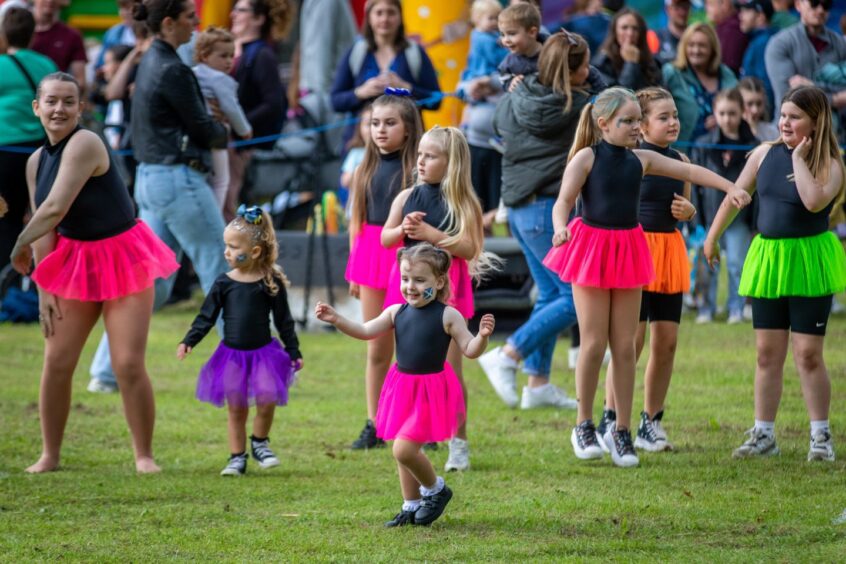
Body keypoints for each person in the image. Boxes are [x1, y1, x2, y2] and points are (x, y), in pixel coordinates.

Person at [542, 86, 750, 468]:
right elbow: (563, 202)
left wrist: (731, 186)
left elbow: (688, 170)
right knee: (592, 343)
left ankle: (622, 431)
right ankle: (583, 424)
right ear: (603, 124)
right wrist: (559, 227)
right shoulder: (586, 158)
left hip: (628, 247)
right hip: (590, 247)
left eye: (639, 120)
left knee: (624, 346)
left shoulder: (642, 160)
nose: (636, 127)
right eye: (628, 121)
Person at [9, 72, 179, 473]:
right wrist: (44, 285)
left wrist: (17, 244)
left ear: (81, 107)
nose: (59, 109)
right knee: (57, 360)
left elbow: (55, 209)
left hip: (122, 254)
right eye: (51, 101)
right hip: (73, 260)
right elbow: (43, 222)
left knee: (126, 363)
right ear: (37, 107)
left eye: (69, 101)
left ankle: (144, 456)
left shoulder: (86, 142)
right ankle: (49, 455)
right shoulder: (36, 161)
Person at [86, 0, 230, 394]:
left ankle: (105, 372)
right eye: (189, 18)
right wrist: (223, 126)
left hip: (153, 180)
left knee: (151, 281)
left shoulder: (150, 60)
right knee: (224, 268)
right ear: (168, 24)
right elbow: (203, 130)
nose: (196, 23)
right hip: (177, 179)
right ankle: (255, 360)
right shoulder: (172, 68)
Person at [704, 85, 846, 461]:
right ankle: (764, 434)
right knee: (767, 353)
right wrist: (712, 237)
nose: (784, 122)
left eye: (795, 117)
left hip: (809, 259)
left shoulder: (831, 161)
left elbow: (813, 200)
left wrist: (799, 158)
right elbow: (736, 195)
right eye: (782, 115)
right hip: (768, 258)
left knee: (808, 354)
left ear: (815, 122)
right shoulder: (763, 154)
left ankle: (820, 436)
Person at [316, 244, 495, 527]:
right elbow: (364, 331)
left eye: (419, 280)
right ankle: (410, 505)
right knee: (402, 449)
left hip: (431, 391)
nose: (410, 287)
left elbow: (470, 349)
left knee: (403, 449)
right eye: (405, 279)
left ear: (439, 282)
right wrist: (336, 319)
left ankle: (436, 490)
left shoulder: (448, 315)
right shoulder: (395, 311)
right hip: (402, 388)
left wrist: (482, 336)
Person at [480, 31, 601, 410]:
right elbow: (612, 97)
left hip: (517, 208)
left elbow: (498, 124)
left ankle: (538, 383)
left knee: (550, 293)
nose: (590, 71)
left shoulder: (517, 94)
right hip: (544, 210)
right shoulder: (577, 106)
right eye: (584, 65)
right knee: (572, 296)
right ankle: (508, 354)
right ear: (571, 73)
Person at [381, 126, 492, 472]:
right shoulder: (406, 197)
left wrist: (433, 235)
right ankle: (416, 432)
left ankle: (458, 442)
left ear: (452, 162)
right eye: (420, 155)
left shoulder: (463, 202)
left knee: (451, 368)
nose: (421, 162)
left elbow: (470, 247)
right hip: (409, 287)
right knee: (411, 363)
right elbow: (386, 238)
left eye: (431, 156)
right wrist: (402, 231)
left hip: (448, 290)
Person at [598, 87, 696, 453]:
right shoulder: (630, 160)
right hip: (635, 251)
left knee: (666, 342)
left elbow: (684, 207)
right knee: (630, 342)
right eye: (663, 117)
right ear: (642, 124)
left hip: (669, 252)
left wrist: (690, 213)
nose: (672, 122)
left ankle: (650, 422)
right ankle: (611, 416)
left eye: (674, 115)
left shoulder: (680, 158)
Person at [178, 205, 302, 476]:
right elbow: (206, 317)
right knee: (236, 407)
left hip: (264, 354)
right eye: (226, 245)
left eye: (233, 247)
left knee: (268, 399)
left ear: (255, 251)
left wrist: (293, 351)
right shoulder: (223, 283)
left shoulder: (271, 282)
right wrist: (189, 340)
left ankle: (259, 442)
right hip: (232, 355)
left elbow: (284, 321)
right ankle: (236, 457)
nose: (227, 252)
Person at [345, 93, 422, 450]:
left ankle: (416, 421)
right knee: (376, 345)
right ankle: (375, 422)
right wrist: (353, 269)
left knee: (414, 347)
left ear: (408, 130)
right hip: (369, 257)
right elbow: (356, 220)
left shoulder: (418, 172)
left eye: (390, 123)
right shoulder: (364, 168)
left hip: (407, 260)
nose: (380, 130)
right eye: (375, 123)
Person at [330, 0, 441, 145]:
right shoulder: (356, 52)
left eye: (391, 12)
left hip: (407, 146)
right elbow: (335, 101)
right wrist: (361, 92)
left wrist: (406, 88)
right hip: (361, 146)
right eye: (379, 13)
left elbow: (436, 100)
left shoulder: (414, 52)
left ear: (400, 17)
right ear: (369, 17)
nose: (385, 19)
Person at [691, 88, 758, 325]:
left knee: (736, 264)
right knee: (707, 264)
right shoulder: (702, 144)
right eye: (722, 113)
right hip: (709, 215)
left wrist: (755, 223)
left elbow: (756, 190)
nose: (727, 118)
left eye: (732, 113)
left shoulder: (753, 146)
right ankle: (705, 308)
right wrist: (696, 219)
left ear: (742, 112)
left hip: (739, 218)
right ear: (715, 113)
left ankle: (736, 308)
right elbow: (695, 185)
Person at [0, 7, 57, 272]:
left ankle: (7, 280)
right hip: (39, 151)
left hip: (5, 151)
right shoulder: (46, 65)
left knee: (6, 218)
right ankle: (36, 278)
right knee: (38, 216)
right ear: (32, 34)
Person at [226, 0, 293, 221]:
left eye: (241, 10)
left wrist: (239, 129)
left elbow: (273, 104)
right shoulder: (235, 50)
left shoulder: (262, 54)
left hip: (240, 146)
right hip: (228, 142)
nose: (233, 14)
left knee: (229, 202)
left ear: (258, 18)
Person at [192, 26, 253, 210]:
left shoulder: (193, 73)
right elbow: (231, 108)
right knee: (221, 180)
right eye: (223, 56)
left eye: (231, 55)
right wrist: (244, 130)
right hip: (216, 135)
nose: (229, 61)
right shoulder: (221, 80)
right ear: (204, 55)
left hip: (197, 136)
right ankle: (215, 212)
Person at [457, 0, 508, 214]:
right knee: (480, 192)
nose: (495, 23)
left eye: (497, 18)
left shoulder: (485, 38)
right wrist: (472, 88)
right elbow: (501, 62)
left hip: (495, 141)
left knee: (491, 194)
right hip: (478, 141)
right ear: (477, 20)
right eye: (490, 18)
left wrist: (486, 84)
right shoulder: (485, 40)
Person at [764, 0, 846, 119]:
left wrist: (811, 86)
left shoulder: (839, 43)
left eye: (826, 5)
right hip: (792, 131)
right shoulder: (780, 43)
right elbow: (791, 99)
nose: (820, 9)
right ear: (798, 5)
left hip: (834, 131)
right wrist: (836, 99)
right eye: (814, 3)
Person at [662, 22, 738, 146]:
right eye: (691, 45)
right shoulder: (672, 73)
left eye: (702, 45)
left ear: (712, 48)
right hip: (683, 152)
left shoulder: (725, 74)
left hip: (722, 151)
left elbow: (741, 106)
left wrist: (723, 118)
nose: (696, 51)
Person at [592, 8, 662, 90]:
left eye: (635, 28)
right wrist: (631, 63)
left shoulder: (651, 62)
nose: (630, 33)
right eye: (624, 28)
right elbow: (620, 98)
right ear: (614, 31)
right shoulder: (602, 63)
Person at [30, 0, 87, 93]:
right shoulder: (20, 31)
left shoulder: (72, 35)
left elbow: (80, 81)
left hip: (56, 99)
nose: (50, 1)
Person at [737, 0, 777, 109]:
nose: (740, 16)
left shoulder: (763, 43)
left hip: (759, 114)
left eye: (745, 11)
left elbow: (765, 87)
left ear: (760, 16)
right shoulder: (758, 40)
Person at [497, 2, 543, 92]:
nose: (505, 40)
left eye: (511, 34)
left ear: (532, 32)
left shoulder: (551, 52)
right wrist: (511, 83)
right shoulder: (509, 62)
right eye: (502, 34)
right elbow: (504, 79)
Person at [705, 0, 749, 76]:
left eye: (710, 4)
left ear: (724, 3)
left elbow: (729, 68)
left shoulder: (731, 30)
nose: (706, 9)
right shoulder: (724, 26)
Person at [93, 0, 137, 72]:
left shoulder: (148, 33)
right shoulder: (112, 33)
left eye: (128, 8)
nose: (123, 13)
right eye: (121, 8)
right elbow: (100, 64)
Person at [738, 76, 780, 141]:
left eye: (759, 104)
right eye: (749, 104)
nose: (755, 110)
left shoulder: (772, 132)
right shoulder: (731, 131)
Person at [654, 0, 691, 66]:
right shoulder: (656, 38)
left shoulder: (696, 37)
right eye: (677, 7)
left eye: (686, 6)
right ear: (667, 9)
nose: (682, 12)